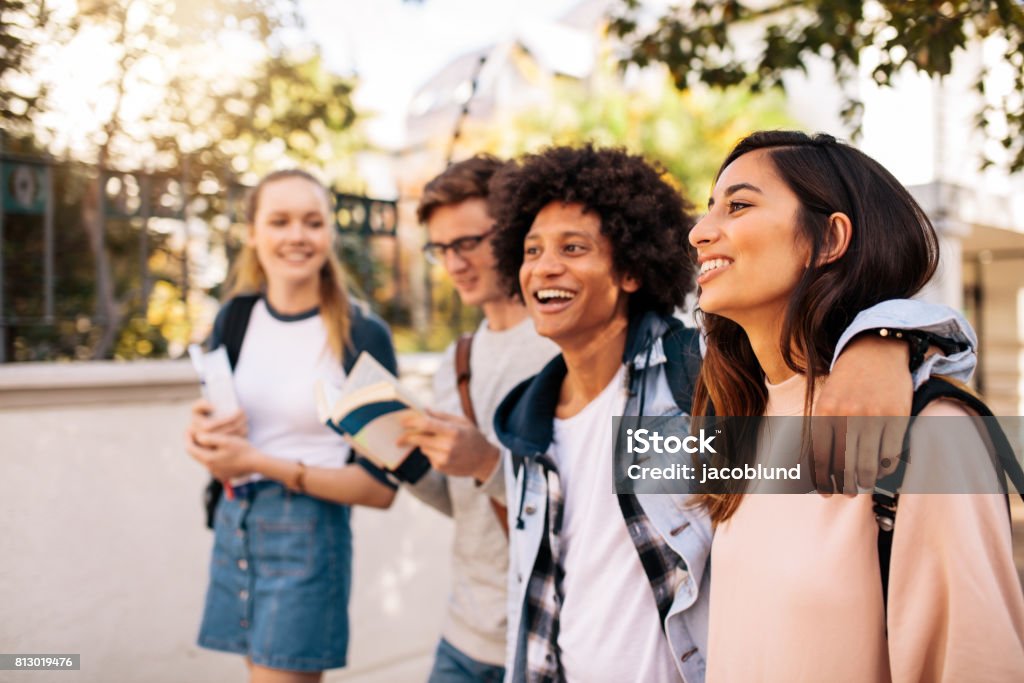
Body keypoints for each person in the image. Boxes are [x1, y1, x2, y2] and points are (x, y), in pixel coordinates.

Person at [487, 144, 979, 682]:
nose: (544, 267)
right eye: (530, 251)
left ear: (631, 269)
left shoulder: (692, 380)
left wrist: (885, 337)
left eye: (573, 247)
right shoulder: (524, 424)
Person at [689, 130, 1024, 681]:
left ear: (828, 239)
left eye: (739, 205)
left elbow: (974, 663)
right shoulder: (737, 417)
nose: (700, 232)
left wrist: (894, 335)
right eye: (708, 210)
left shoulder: (932, 434)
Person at [185, 169, 401, 683]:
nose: (297, 236)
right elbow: (223, 425)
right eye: (279, 221)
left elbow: (379, 487)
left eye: (312, 222)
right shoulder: (233, 319)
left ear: (330, 232)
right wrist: (201, 434)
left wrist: (258, 463)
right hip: (236, 524)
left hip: (309, 534)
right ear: (253, 233)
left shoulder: (362, 335)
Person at [396, 155, 559, 683]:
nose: (454, 263)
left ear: (512, 231)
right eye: (441, 248)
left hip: (543, 635)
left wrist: (487, 461)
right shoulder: (456, 359)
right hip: (462, 634)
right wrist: (401, 462)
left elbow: (597, 508)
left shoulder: (565, 346)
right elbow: (464, 504)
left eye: (469, 242)